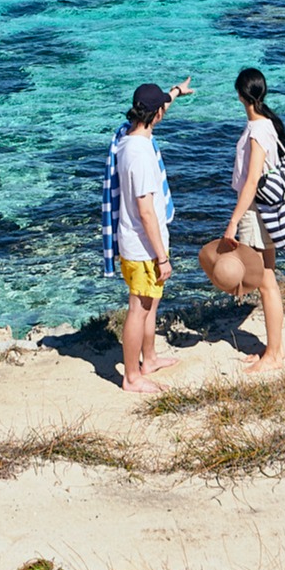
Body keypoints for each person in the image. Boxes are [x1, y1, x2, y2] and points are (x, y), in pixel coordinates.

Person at [207, 67, 285, 373]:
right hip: (267, 211)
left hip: (256, 213)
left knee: (266, 283)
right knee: (268, 279)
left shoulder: (258, 130)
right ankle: (275, 350)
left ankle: (273, 356)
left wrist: (233, 221)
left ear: (240, 95)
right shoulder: (269, 123)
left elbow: (252, 181)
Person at [107, 79, 189, 394]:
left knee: (151, 305)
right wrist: (162, 256)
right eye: (162, 109)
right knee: (138, 308)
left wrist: (177, 92)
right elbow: (145, 211)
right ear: (155, 115)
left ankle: (149, 358)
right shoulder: (141, 155)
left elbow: (160, 102)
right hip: (142, 248)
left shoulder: (126, 136)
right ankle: (131, 377)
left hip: (142, 244)